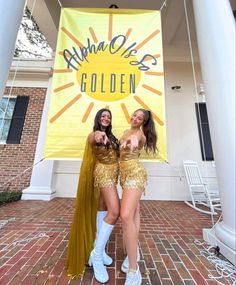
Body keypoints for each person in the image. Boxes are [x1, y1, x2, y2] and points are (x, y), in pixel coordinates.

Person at [66, 109, 120, 283]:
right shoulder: (95, 134)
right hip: (104, 174)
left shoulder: (112, 137)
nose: (106, 118)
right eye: (103, 116)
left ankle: (100, 249)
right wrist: (99, 136)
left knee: (103, 208)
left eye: (108, 117)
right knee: (115, 212)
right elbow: (95, 137)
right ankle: (96, 255)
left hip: (112, 175)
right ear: (98, 119)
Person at [119, 109, 157, 285]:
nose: (134, 118)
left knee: (125, 215)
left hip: (135, 174)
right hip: (125, 175)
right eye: (134, 115)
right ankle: (134, 252)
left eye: (139, 118)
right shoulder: (126, 131)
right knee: (134, 213)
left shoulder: (139, 135)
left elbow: (136, 141)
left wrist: (133, 141)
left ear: (143, 122)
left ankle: (134, 270)